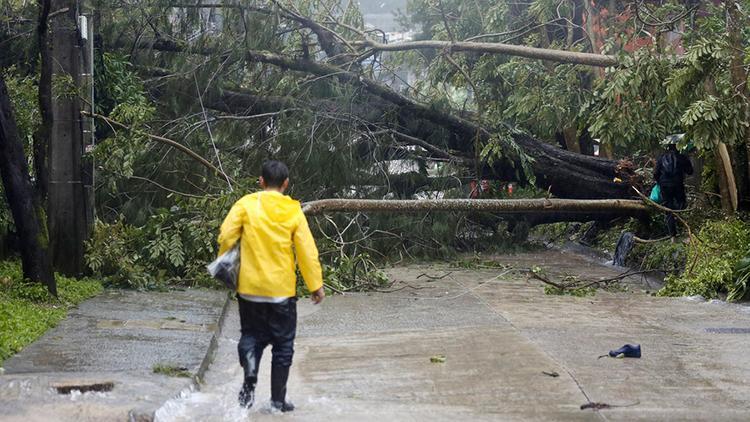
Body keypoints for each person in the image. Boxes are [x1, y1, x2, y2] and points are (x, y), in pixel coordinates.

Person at [217, 160, 325, 412]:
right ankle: (278, 400)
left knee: (250, 337)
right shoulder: (293, 211)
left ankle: (249, 383)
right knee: (283, 346)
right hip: (281, 292)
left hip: (249, 289)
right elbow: (306, 252)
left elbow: (225, 235)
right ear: (286, 184)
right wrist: (315, 285)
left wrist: (227, 268)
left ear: (261, 181)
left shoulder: (246, 204)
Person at [653, 139, 693, 239]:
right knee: (681, 205)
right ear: (679, 146)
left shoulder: (662, 158)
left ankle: (673, 236)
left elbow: (655, 173)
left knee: (668, 209)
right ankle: (684, 229)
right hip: (678, 185)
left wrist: (660, 182)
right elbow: (690, 171)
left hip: (665, 187)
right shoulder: (682, 157)